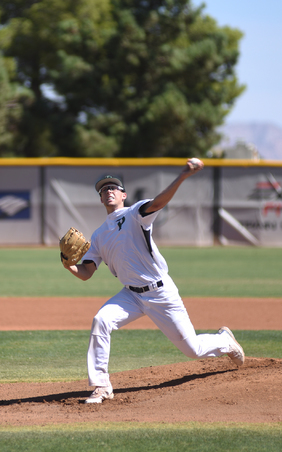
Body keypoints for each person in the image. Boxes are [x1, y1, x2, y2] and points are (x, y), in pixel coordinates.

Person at [63, 159, 245, 404]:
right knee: (101, 320)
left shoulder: (135, 213)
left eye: (113, 188)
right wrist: (70, 266)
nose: (108, 191)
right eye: (103, 189)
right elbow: (86, 272)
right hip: (131, 295)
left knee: (193, 350)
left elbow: (158, 202)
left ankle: (225, 341)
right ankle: (101, 386)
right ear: (100, 198)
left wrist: (182, 176)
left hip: (161, 292)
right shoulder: (98, 235)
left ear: (123, 195)